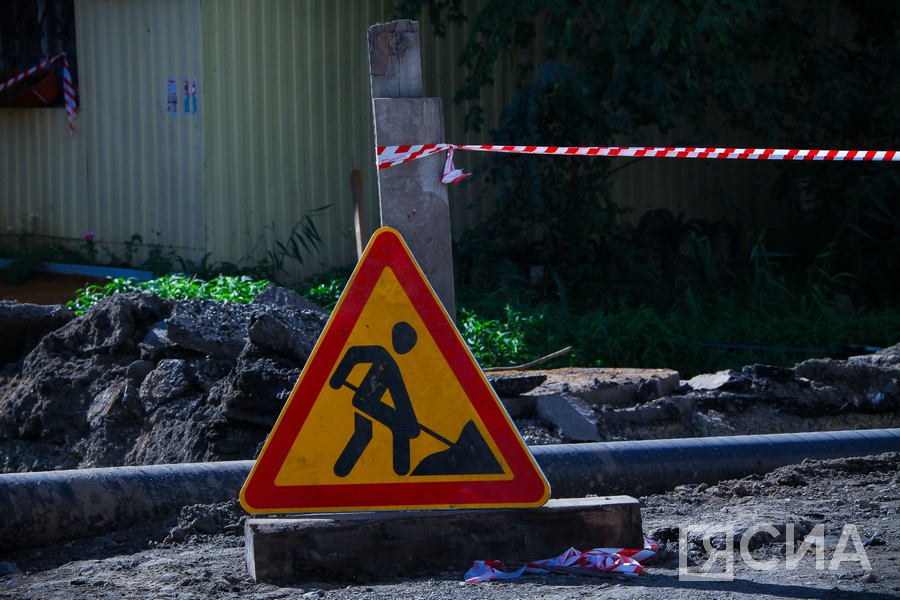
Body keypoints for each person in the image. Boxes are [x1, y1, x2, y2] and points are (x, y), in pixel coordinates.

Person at [329, 321, 421, 477]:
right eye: (406, 341)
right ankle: (340, 472)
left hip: (370, 403)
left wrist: (409, 421)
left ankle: (401, 469)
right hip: (364, 400)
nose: (407, 346)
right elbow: (353, 354)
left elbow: (400, 395)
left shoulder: (393, 364)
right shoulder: (382, 354)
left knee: (387, 429)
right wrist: (336, 380)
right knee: (366, 433)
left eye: (409, 343)